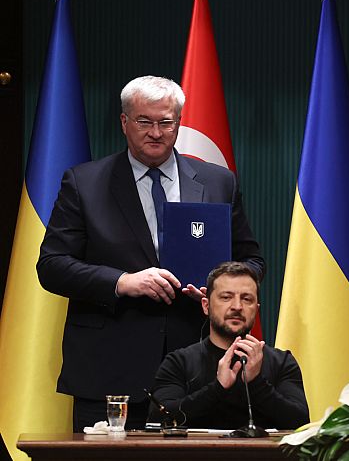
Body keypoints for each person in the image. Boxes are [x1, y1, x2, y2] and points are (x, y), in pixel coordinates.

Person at [37, 75, 265, 431]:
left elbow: (252, 262)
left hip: (198, 369)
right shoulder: (84, 183)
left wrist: (218, 292)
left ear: (178, 123)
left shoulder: (218, 181)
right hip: (109, 368)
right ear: (125, 121)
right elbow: (51, 266)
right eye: (145, 121)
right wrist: (121, 282)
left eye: (166, 122)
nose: (156, 133)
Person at [150, 262, 308, 430]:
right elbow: (158, 419)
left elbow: (300, 423)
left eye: (247, 299)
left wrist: (256, 383)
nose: (237, 307)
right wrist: (217, 388)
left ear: (256, 309)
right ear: (206, 306)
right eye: (226, 297)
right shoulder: (178, 362)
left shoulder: (282, 362)